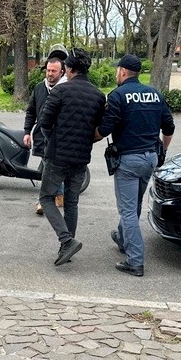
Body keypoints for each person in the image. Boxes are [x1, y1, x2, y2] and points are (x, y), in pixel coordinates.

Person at [94, 55, 175, 277]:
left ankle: (135, 261)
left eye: (116, 70)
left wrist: (86, 137)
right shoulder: (155, 94)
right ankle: (122, 238)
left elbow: (104, 129)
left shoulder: (118, 95)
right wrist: (163, 151)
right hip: (150, 158)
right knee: (135, 204)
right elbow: (169, 127)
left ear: (122, 72)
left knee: (128, 211)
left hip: (128, 161)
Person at [37, 49, 106, 266]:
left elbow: (44, 123)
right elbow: (99, 128)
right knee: (72, 202)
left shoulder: (60, 91)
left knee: (46, 198)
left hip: (57, 155)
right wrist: (86, 142)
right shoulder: (98, 95)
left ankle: (66, 240)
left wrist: (52, 139)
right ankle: (67, 249)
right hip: (80, 157)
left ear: (69, 69)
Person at [23, 44, 69, 215]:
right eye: (48, 71)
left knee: (50, 169)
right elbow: (31, 111)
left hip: (60, 139)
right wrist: (27, 132)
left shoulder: (66, 89)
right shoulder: (39, 88)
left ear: (62, 72)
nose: (50, 74)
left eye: (53, 71)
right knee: (48, 167)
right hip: (42, 138)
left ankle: (45, 199)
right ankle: (58, 195)